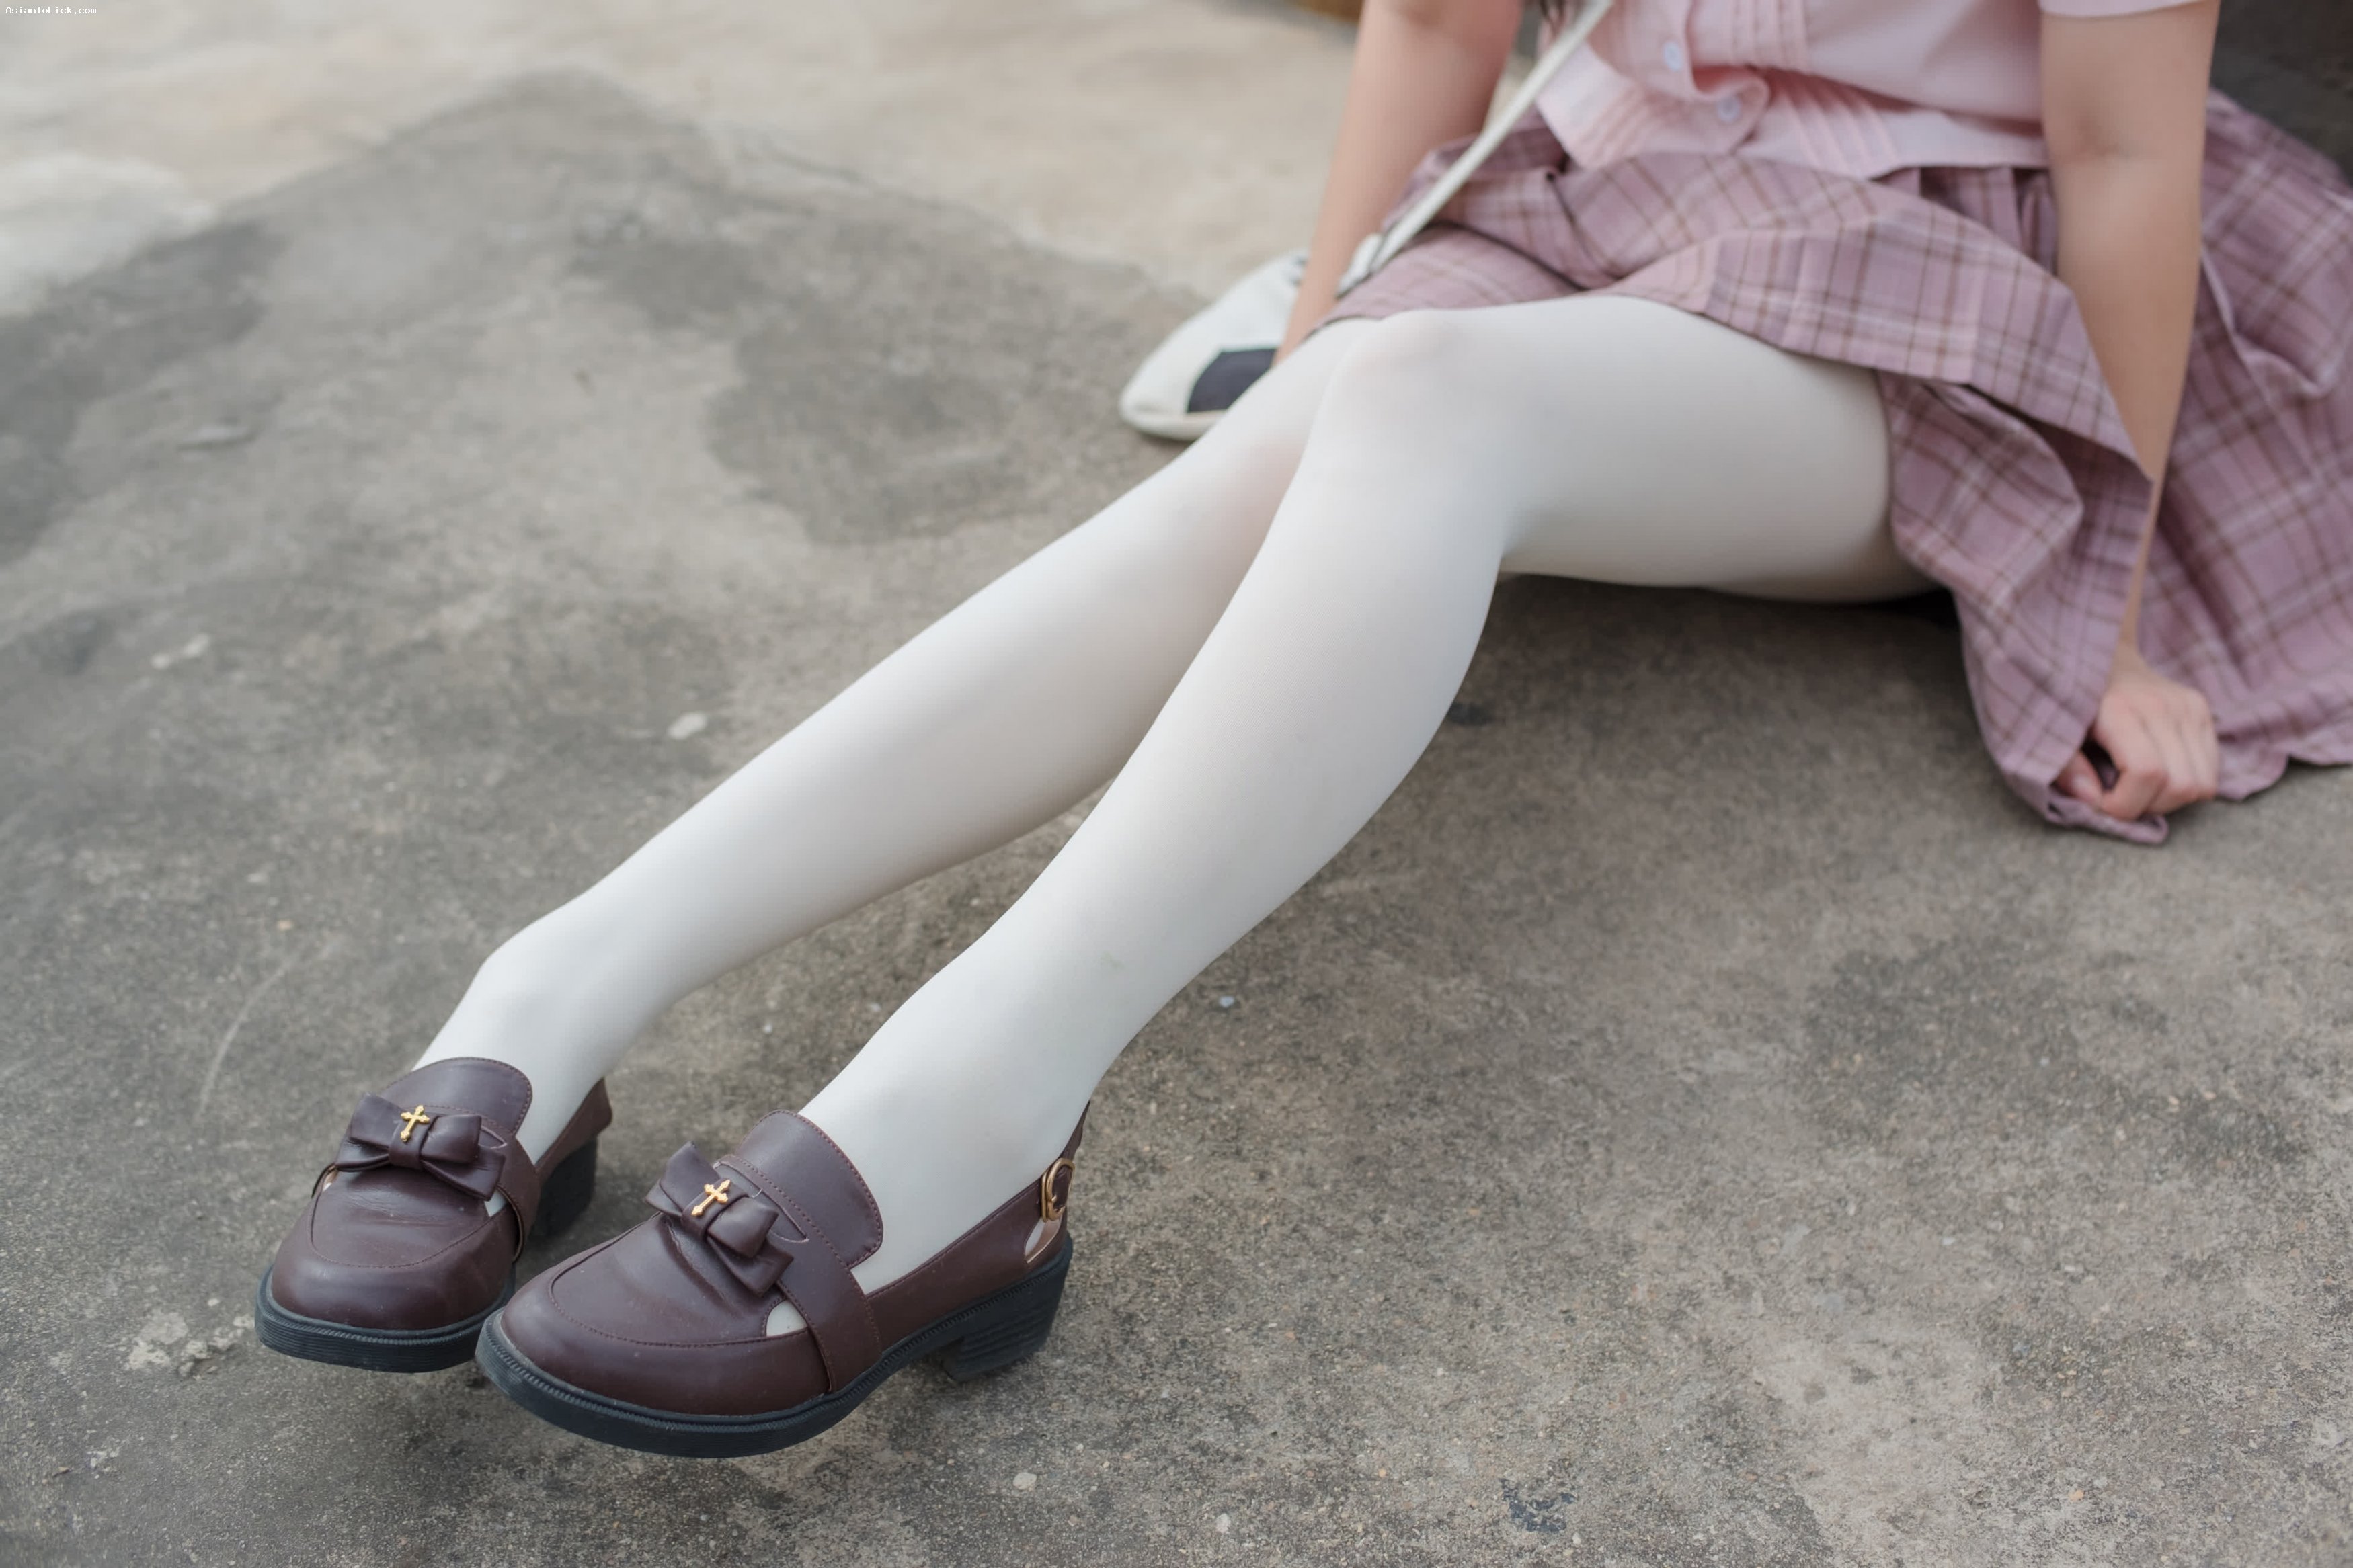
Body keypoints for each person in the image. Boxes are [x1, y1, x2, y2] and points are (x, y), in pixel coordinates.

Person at [255, 0, 2353, 1457]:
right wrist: (1320, 346)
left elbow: (2118, 147)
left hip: (1968, 287)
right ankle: (562, 980)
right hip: (1604, 197)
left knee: (1430, 405)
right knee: (1353, 398)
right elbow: (1437, 27)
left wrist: (2105, 594)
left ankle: (965, 1114)